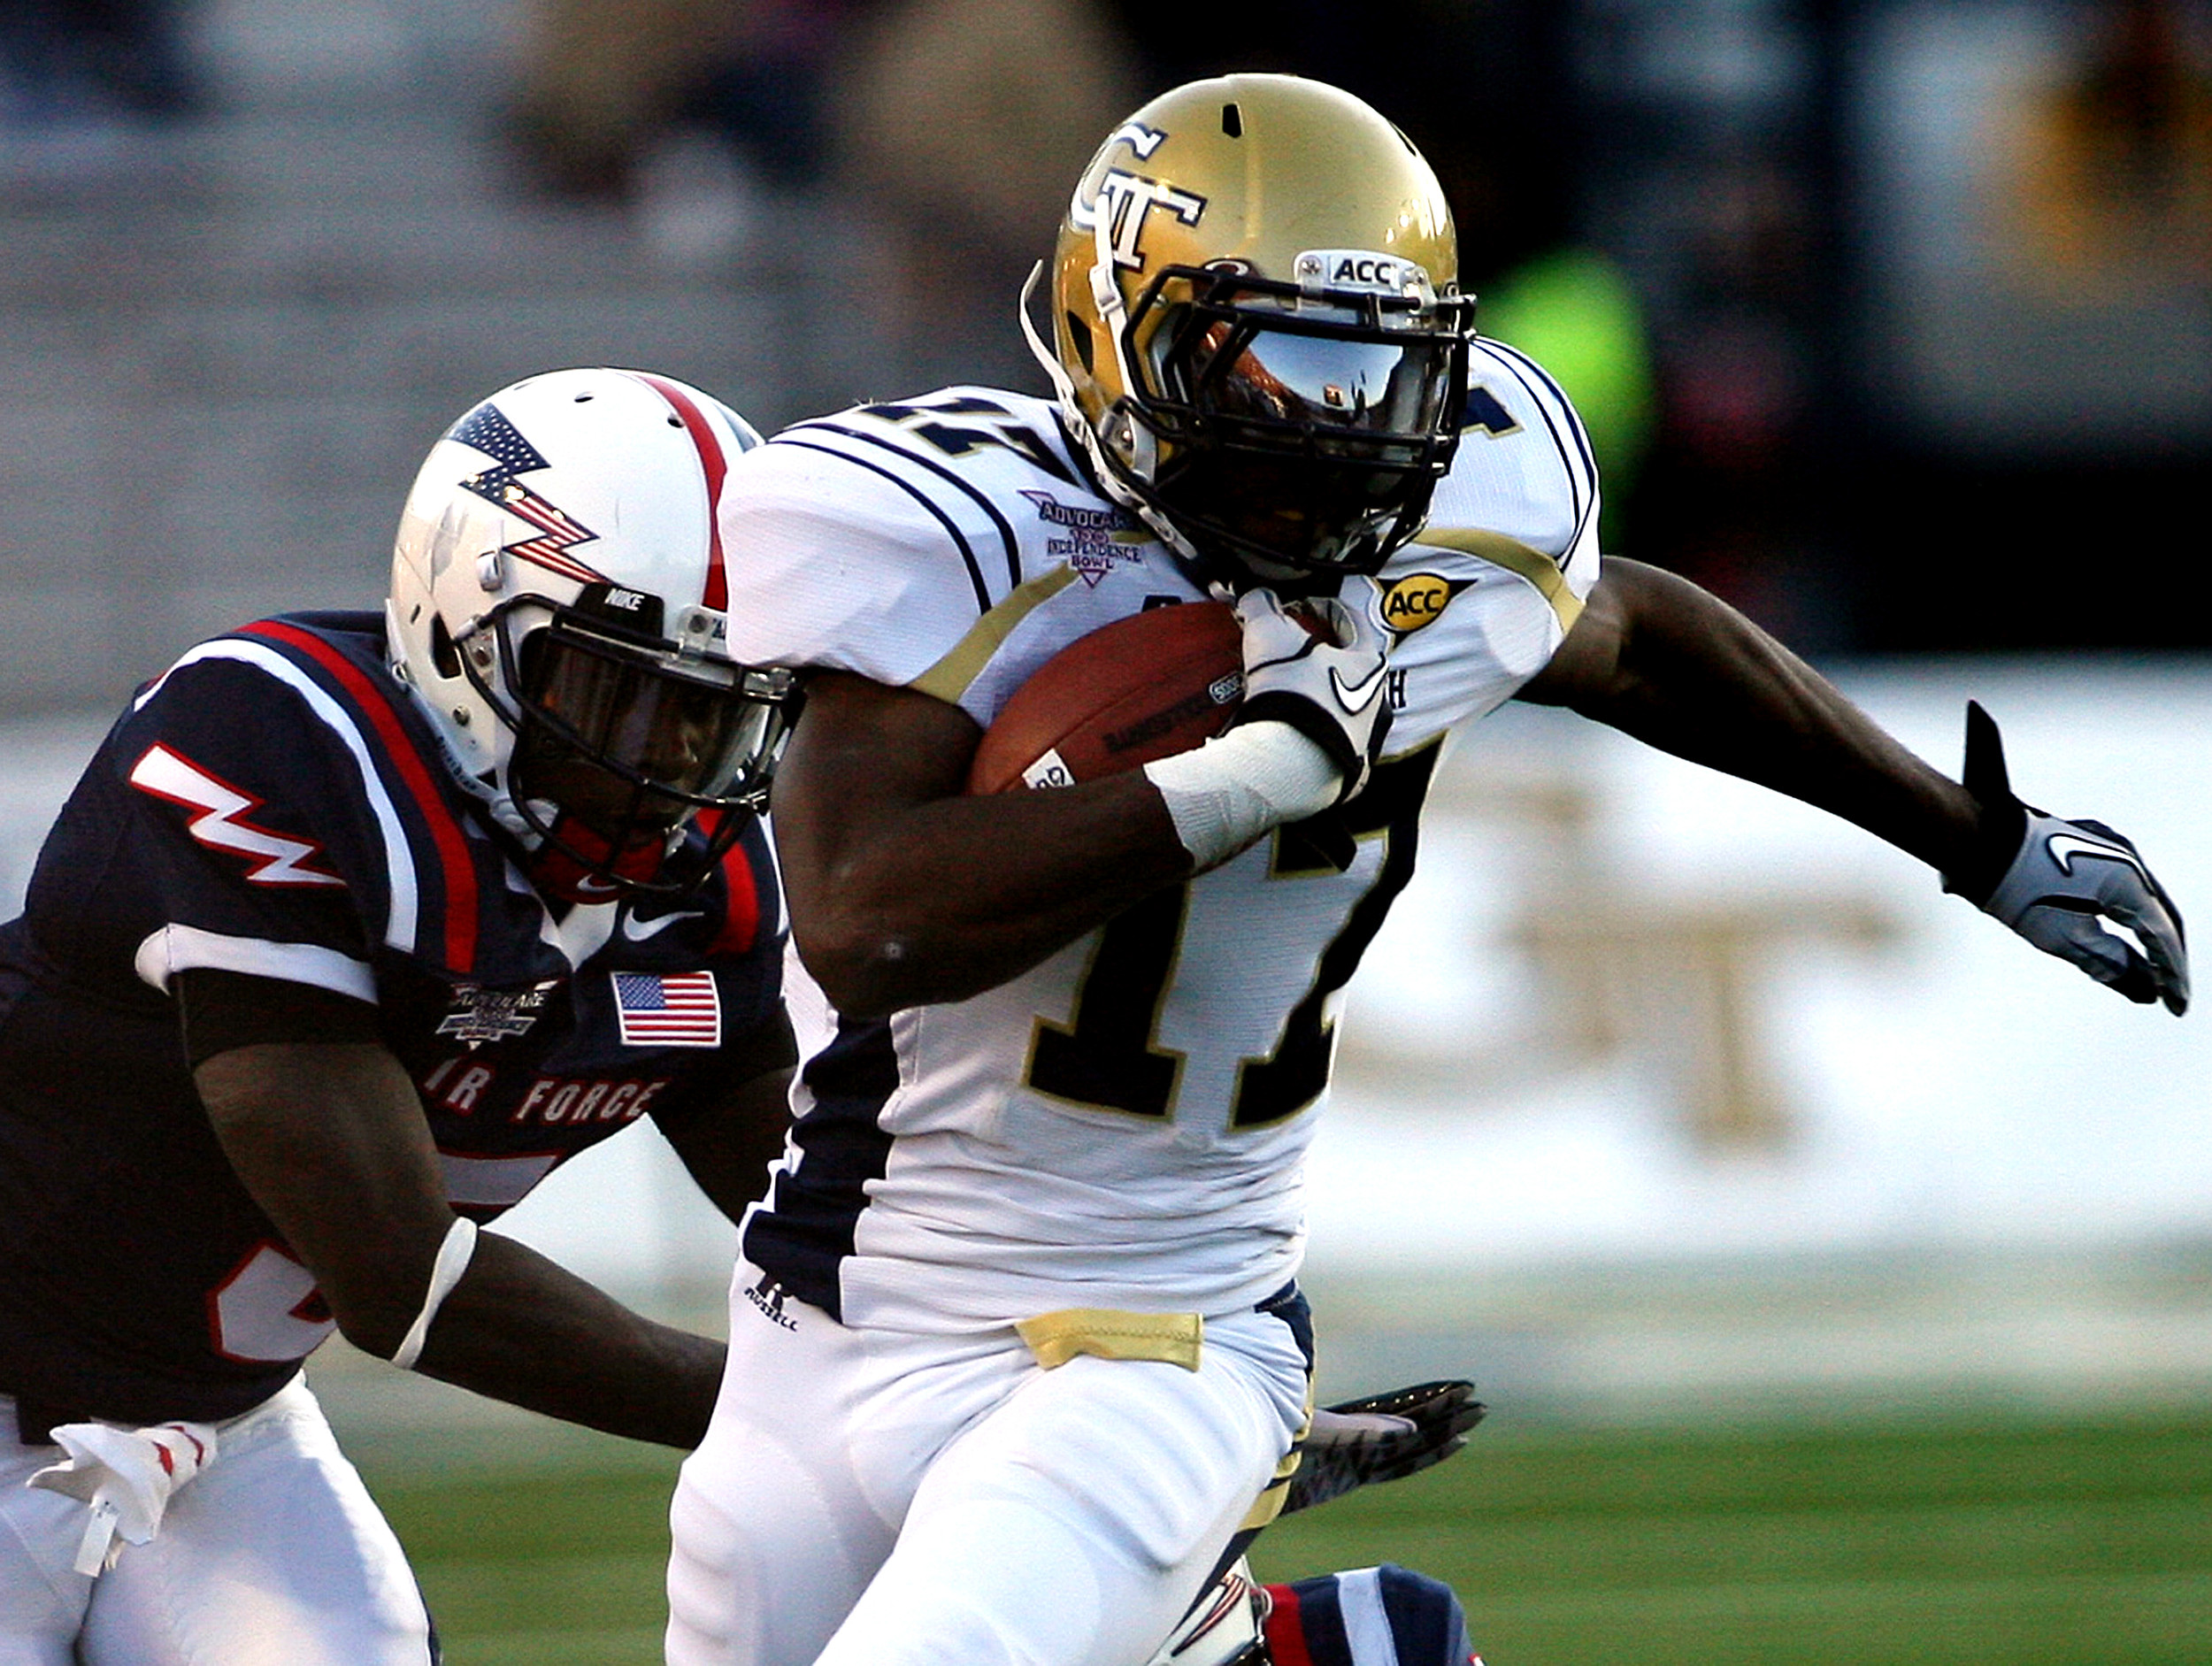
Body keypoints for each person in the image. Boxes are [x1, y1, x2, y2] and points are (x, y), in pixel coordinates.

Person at [666, 73, 2190, 1666]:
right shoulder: (947, 525)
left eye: (1381, 377)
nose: (1334, 438)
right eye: (1282, 363)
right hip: (823, 1319)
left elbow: (1642, 638)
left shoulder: (1449, 536)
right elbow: (865, 924)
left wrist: (1979, 838)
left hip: (1162, 1338)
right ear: (1127, 338)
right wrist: (1260, 764)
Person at [0, 367, 807, 1662]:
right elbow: (399, 1276)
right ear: (466, 624)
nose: (671, 775)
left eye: (717, 721)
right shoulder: (274, 740)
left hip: (216, 1423)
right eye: (627, 700)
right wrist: (805, 1428)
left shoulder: (700, 889)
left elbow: (824, 1211)